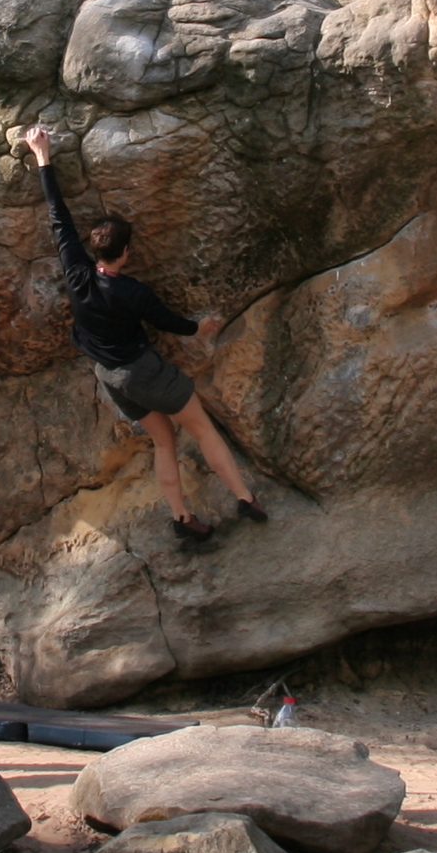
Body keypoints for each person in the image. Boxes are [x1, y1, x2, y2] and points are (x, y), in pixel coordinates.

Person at [23, 126, 268, 541]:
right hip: (143, 371)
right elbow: (170, 322)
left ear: (95, 249)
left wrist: (42, 157)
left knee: (163, 441)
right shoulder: (133, 292)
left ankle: (182, 519)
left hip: (109, 375)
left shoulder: (76, 271)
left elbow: (58, 216)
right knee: (202, 428)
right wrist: (201, 327)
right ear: (125, 253)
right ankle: (245, 498)